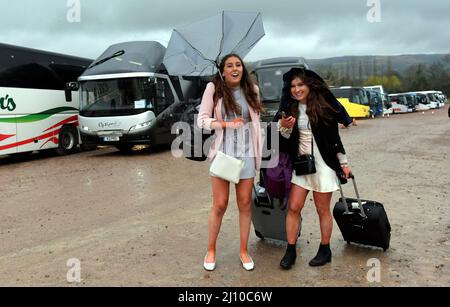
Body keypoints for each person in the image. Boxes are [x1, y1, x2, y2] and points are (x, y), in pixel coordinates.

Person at [275, 68, 352, 270]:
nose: (297, 89)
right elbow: (281, 141)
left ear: (309, 85)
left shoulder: (322, 107)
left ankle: (325, 250)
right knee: (293, 207)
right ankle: (290, 250)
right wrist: (283, 126)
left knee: (322, 209)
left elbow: (334, 139)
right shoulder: (288, 108)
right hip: (301, 165)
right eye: (293, 86)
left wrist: (343, 164)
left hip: (323, 165)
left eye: (300, 85)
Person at [197, 54, 263, 271]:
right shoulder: (213, 89)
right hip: (223, 154)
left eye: (238, 65)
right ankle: (211, 249)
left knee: (245, 204)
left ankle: (244, 251)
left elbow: (256, 122)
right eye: (229, 65)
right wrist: (225, 124)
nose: (235, 68)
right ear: (222, 71)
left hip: (247, 155)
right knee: (220, 204)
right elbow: (202, 121)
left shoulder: (252, 90)